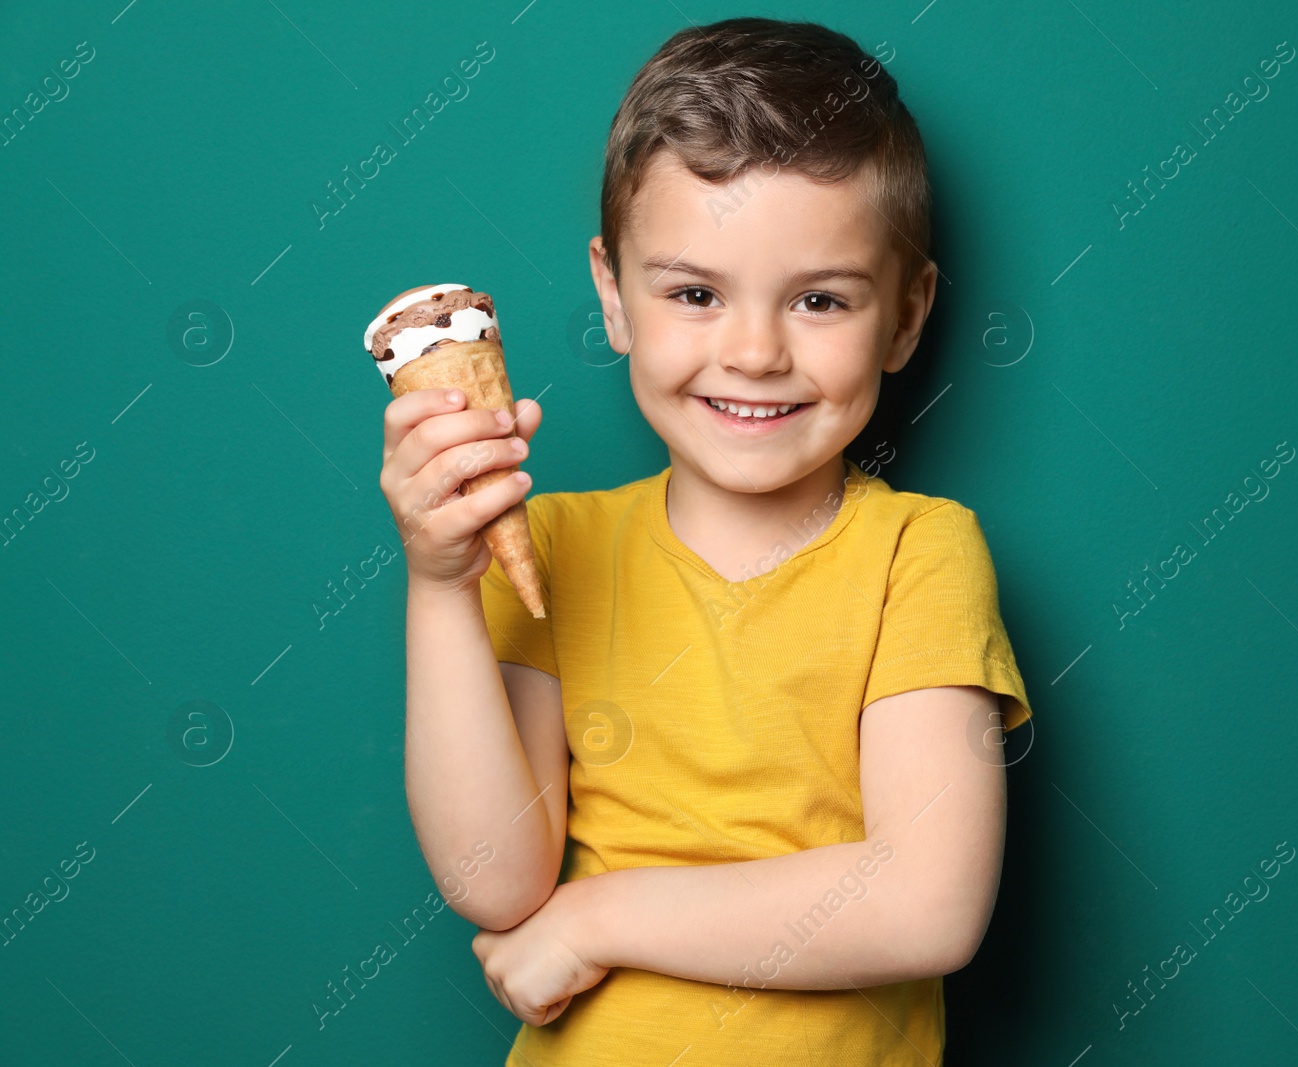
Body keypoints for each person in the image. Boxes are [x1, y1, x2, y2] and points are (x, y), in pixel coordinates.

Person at [377, 16, 1033, 1066]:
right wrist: (440, 584)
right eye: (694, 293)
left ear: (906, 317)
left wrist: (595, 919)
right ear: (613, 294)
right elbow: (494, 880)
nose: (755, 351)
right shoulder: (550, 543)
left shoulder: (920, 552)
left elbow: (927, 904)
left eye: (819, 299)